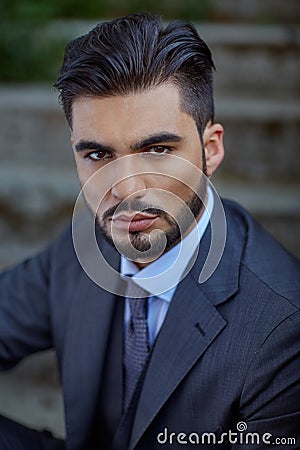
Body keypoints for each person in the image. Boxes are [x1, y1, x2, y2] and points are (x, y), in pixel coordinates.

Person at [0, 12, 299, 450]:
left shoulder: (283, 327)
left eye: (157, 150)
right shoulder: (81, 248)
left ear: (210, 149)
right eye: (99, 155)